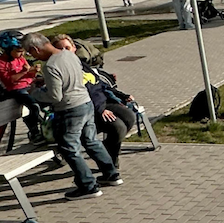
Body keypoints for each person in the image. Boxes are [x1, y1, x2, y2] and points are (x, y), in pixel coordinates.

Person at [21, 32, 120, 199]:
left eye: (30, 53)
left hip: (70, 109)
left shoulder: (51, 66)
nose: (33, 57)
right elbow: (70, 79)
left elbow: (55, 96)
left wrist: (35, 93)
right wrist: (46, 84)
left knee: (68, 147)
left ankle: (88, 185)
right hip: (86, 102)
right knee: (91, 141)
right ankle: (111, 173)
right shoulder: (68, 55)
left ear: (35, 49)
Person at [50, 35, 137, 172]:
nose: (65, 52)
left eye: (67, 48)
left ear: (74, 48)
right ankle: (109, 162)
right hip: (87, 109)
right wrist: (100, 110)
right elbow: (83, 94)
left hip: (102, 103)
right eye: (60, 49)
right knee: (118, 127)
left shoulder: (80, 64)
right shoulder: (59, 68)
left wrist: (122, 96)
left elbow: (99, 84)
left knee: (130, 117)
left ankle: (107, 152)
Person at [0, 30, 46, 145]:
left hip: (29, 85)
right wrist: (24, 72)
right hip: (16, 90)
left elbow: (29, 74)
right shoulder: (1, 63)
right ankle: (34, 131)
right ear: (8, 49)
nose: (22, 55)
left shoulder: (20, 59)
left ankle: (50, 126)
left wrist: (34, 72)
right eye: (19, 51)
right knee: (34, 106)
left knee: (49, 99)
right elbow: (9, 80)